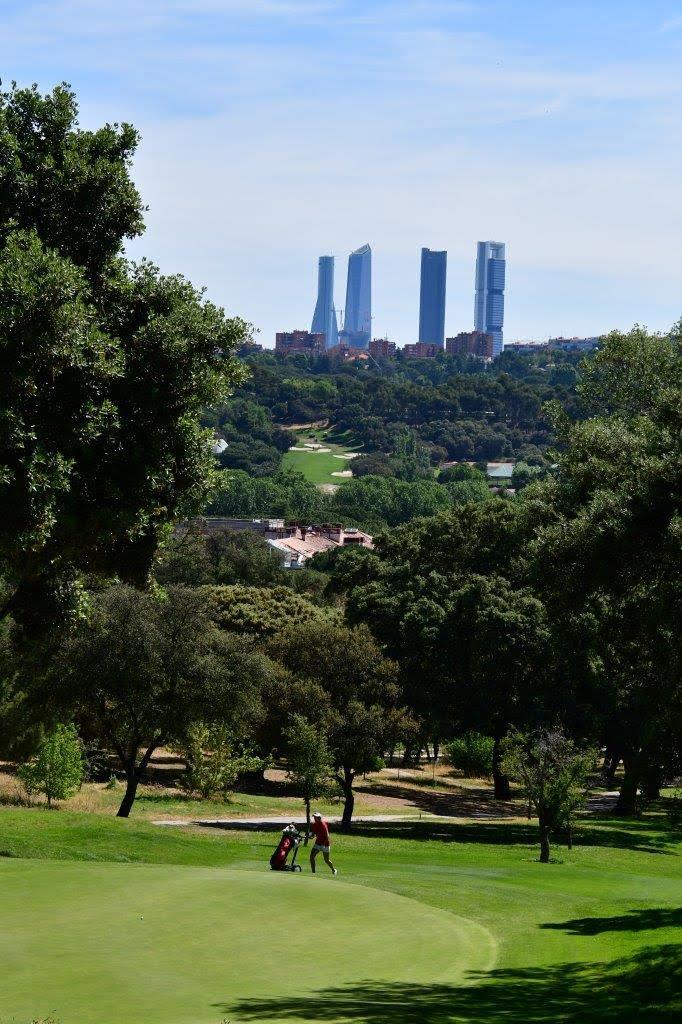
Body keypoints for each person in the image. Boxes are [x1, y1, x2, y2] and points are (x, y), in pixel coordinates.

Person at [309, 811, 337, 875]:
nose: (315, 818)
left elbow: (327, 836)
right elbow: (313, 834)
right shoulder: (314, 825)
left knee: (326, 860)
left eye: (316, 817)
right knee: (312, 857)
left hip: (325, 844)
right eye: (314, 817)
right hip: (318, 843)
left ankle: (333, 870)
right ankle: (313, 873)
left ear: (319, 818)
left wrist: (323, 845)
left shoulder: (323, 825)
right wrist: (310, 835)